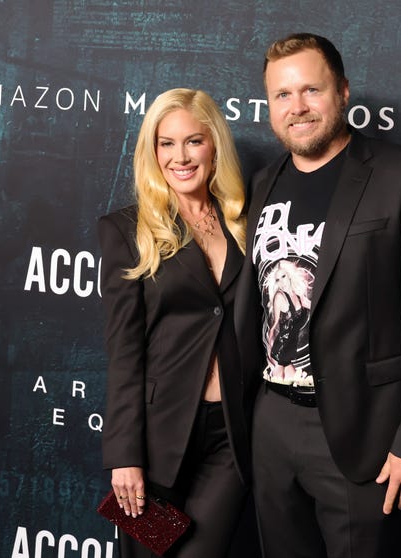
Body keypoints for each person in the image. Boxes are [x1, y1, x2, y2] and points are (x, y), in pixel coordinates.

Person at [234, 33, 401, 557]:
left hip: (364, 431)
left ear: (342, 91)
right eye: (282, 96)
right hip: (270, 423)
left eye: (311, 90)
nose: (298, 108)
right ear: (269, 107)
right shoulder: (264, 182)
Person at [98, 88, 256, 557]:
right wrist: (125, 456)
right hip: (157, 437)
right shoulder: (127, 230)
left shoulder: (247, 222)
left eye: (194, 141)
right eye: (166, 143)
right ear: (152, 151)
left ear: (214, 147)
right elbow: (124, 352)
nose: (180, 157)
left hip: (232, 434)